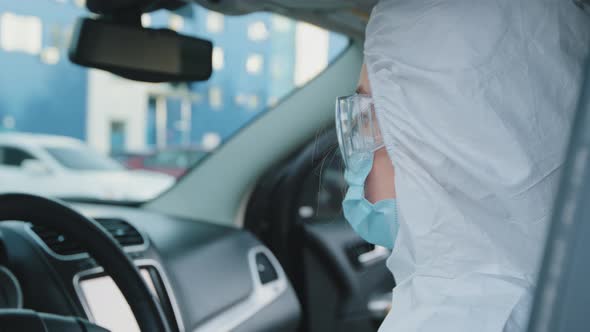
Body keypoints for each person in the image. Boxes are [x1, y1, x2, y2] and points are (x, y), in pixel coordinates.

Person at [336, 0, 590, 331]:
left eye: (367, 120)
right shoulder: (561, 290)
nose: (355, 158)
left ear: (438, 144)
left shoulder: (443, 317)